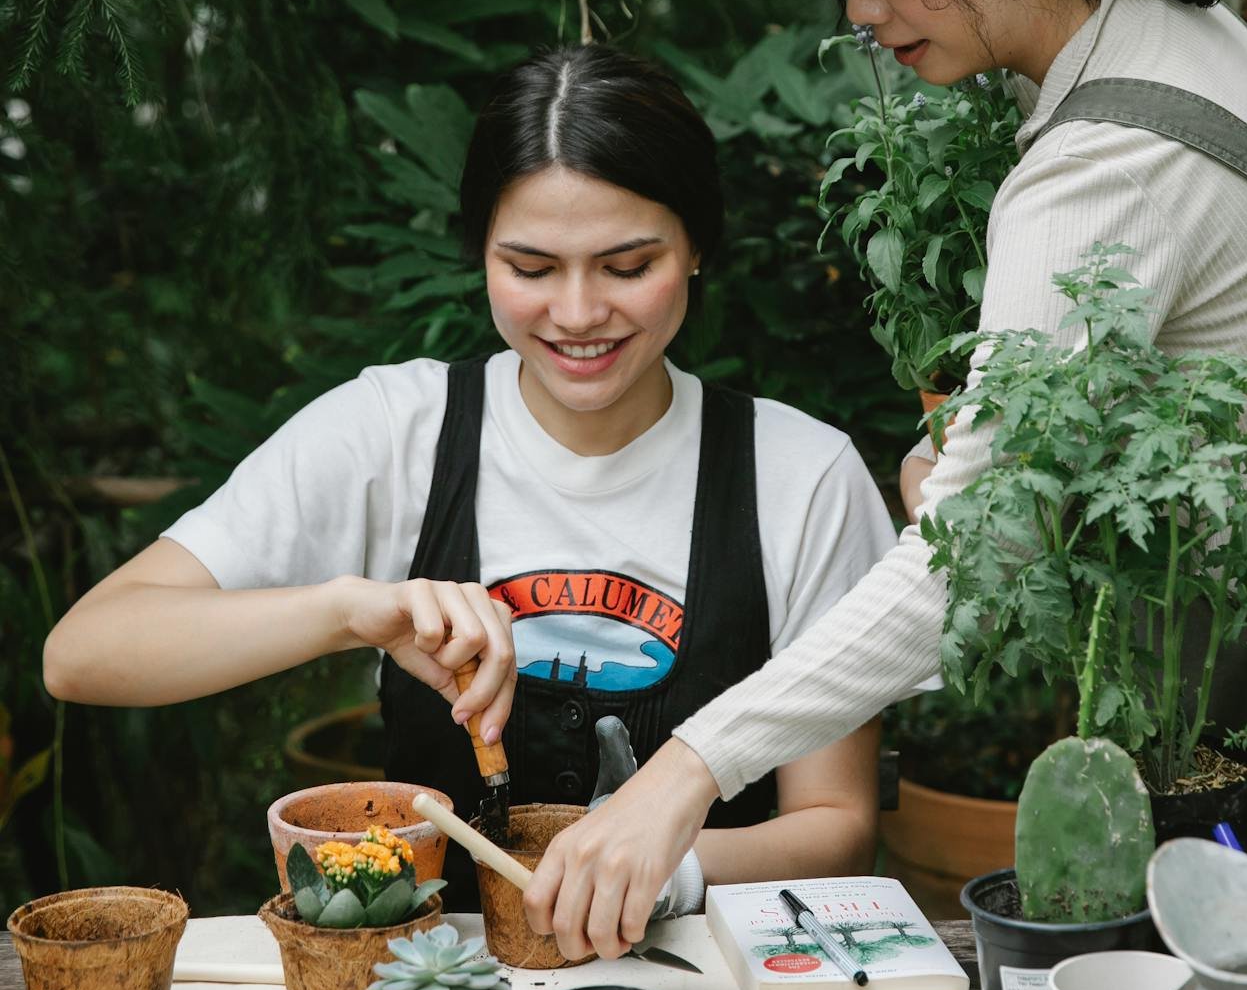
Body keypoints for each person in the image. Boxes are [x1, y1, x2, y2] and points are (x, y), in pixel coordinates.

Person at [510, 0, 1247, 962]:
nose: (861, 10)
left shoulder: (1102, 160)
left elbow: (973, 565)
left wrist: (678, 776)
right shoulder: (1173, 18)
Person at [44, 46, 900, 907]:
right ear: (479, 253)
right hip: (432, 989)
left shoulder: (802, 474)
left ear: (698, 247)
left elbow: (837, 821)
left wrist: (669, 867)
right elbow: (85, 654)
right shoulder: (393, 432)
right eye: (529, 269)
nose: (576, 314)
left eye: (627, 267)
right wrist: (346, 612)